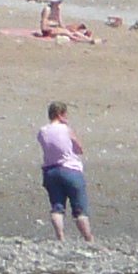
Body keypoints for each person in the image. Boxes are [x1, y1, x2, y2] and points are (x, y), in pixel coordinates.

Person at [39, 102, 93, 242]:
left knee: (57, 207)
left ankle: (60, 237)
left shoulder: (43, 131)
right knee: (79, 208)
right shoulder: (66, 129)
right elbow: (79, 148)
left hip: (50, 171)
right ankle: (88, 238)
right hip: (70, 170)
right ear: (60, 114)